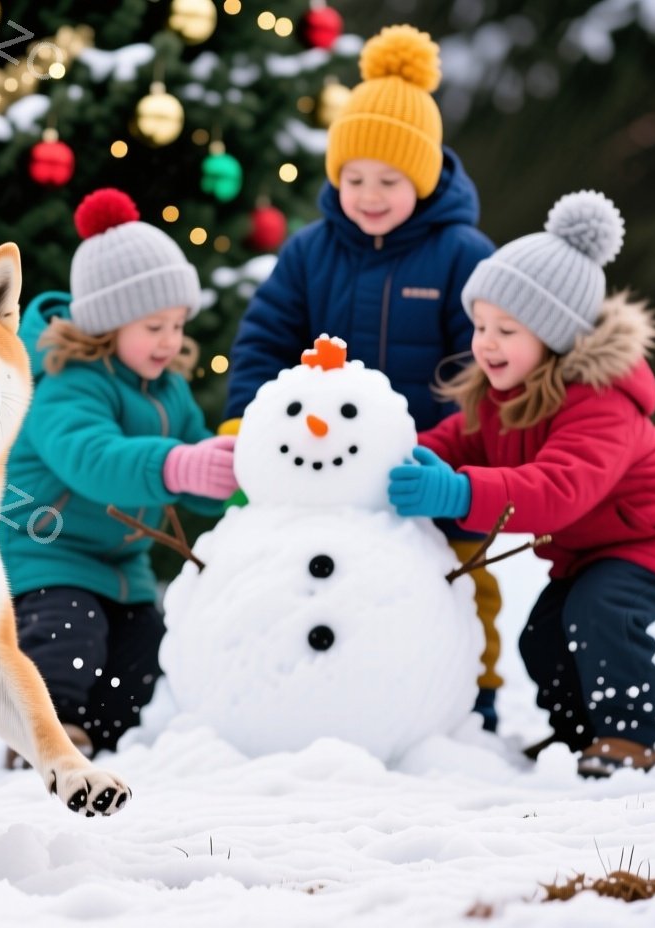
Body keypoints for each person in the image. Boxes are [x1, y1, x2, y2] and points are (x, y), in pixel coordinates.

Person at [221, 24, 503, 728]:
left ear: (425, 176)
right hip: (324, 464)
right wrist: (245, 423)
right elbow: (263, 339)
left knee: (456, 576)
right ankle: (328, 693)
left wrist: (452, 448)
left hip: (427, 463)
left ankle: (475, 691)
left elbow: (484, 365)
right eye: (354, 179)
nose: (369, 195)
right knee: (329, 575)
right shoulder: (310, 252)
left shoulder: (462, 253)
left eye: (389, 180)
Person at [388, 190, 655, 777]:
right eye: (480, 324)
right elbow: (452, 441)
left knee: (601, 614)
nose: (485, 342)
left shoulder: (600, 402)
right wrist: (394, 455)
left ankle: (634, 737)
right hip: (593, 546)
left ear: (556, 337)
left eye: (506, 329)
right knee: (541, 639)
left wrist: (459, 494)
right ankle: (579, 737)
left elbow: (558, 489)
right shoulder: (499, 397)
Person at [0, 187, 236, 763]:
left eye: (178, 324)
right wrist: (179, 466)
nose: (171, 340)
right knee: (66, 639)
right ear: (108, 323)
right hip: (47, 547)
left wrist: (239, 475)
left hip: (120, 563)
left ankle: (95, 736)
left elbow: (199, 460)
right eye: (154, 325)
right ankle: (43, 734)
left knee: (141, 655)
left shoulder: (170, 390)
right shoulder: (67, 381)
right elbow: (93, 459)